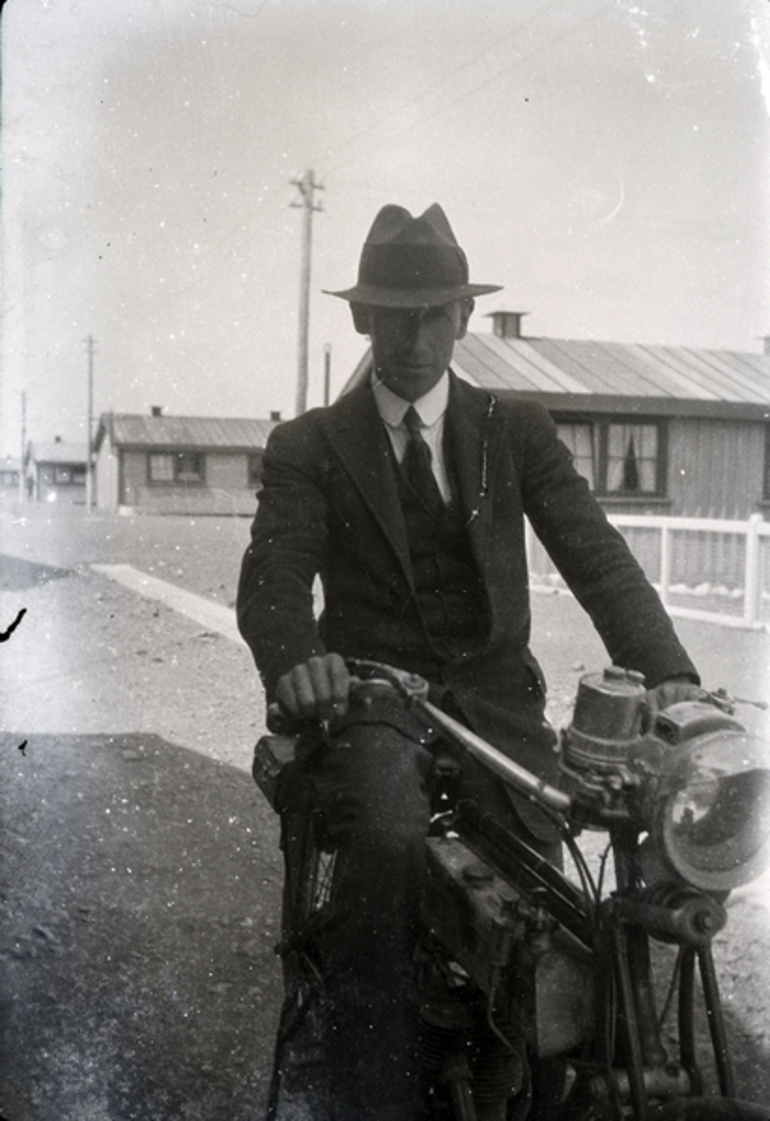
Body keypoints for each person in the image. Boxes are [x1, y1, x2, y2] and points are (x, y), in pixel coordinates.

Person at [237, 203, 701, 1120]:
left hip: (497, 708)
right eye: (395, 315)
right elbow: (275, 578)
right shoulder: (310, 446)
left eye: (434, 314)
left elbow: (594, 552)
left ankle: (592, 1077)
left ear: (463, 318)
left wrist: (668, 670)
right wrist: (298, 664)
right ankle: (369, 1084)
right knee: (387, 840)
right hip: (370, 703)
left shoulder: (512, 430)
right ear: (363, 320)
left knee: (589, 870)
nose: (414, 337)